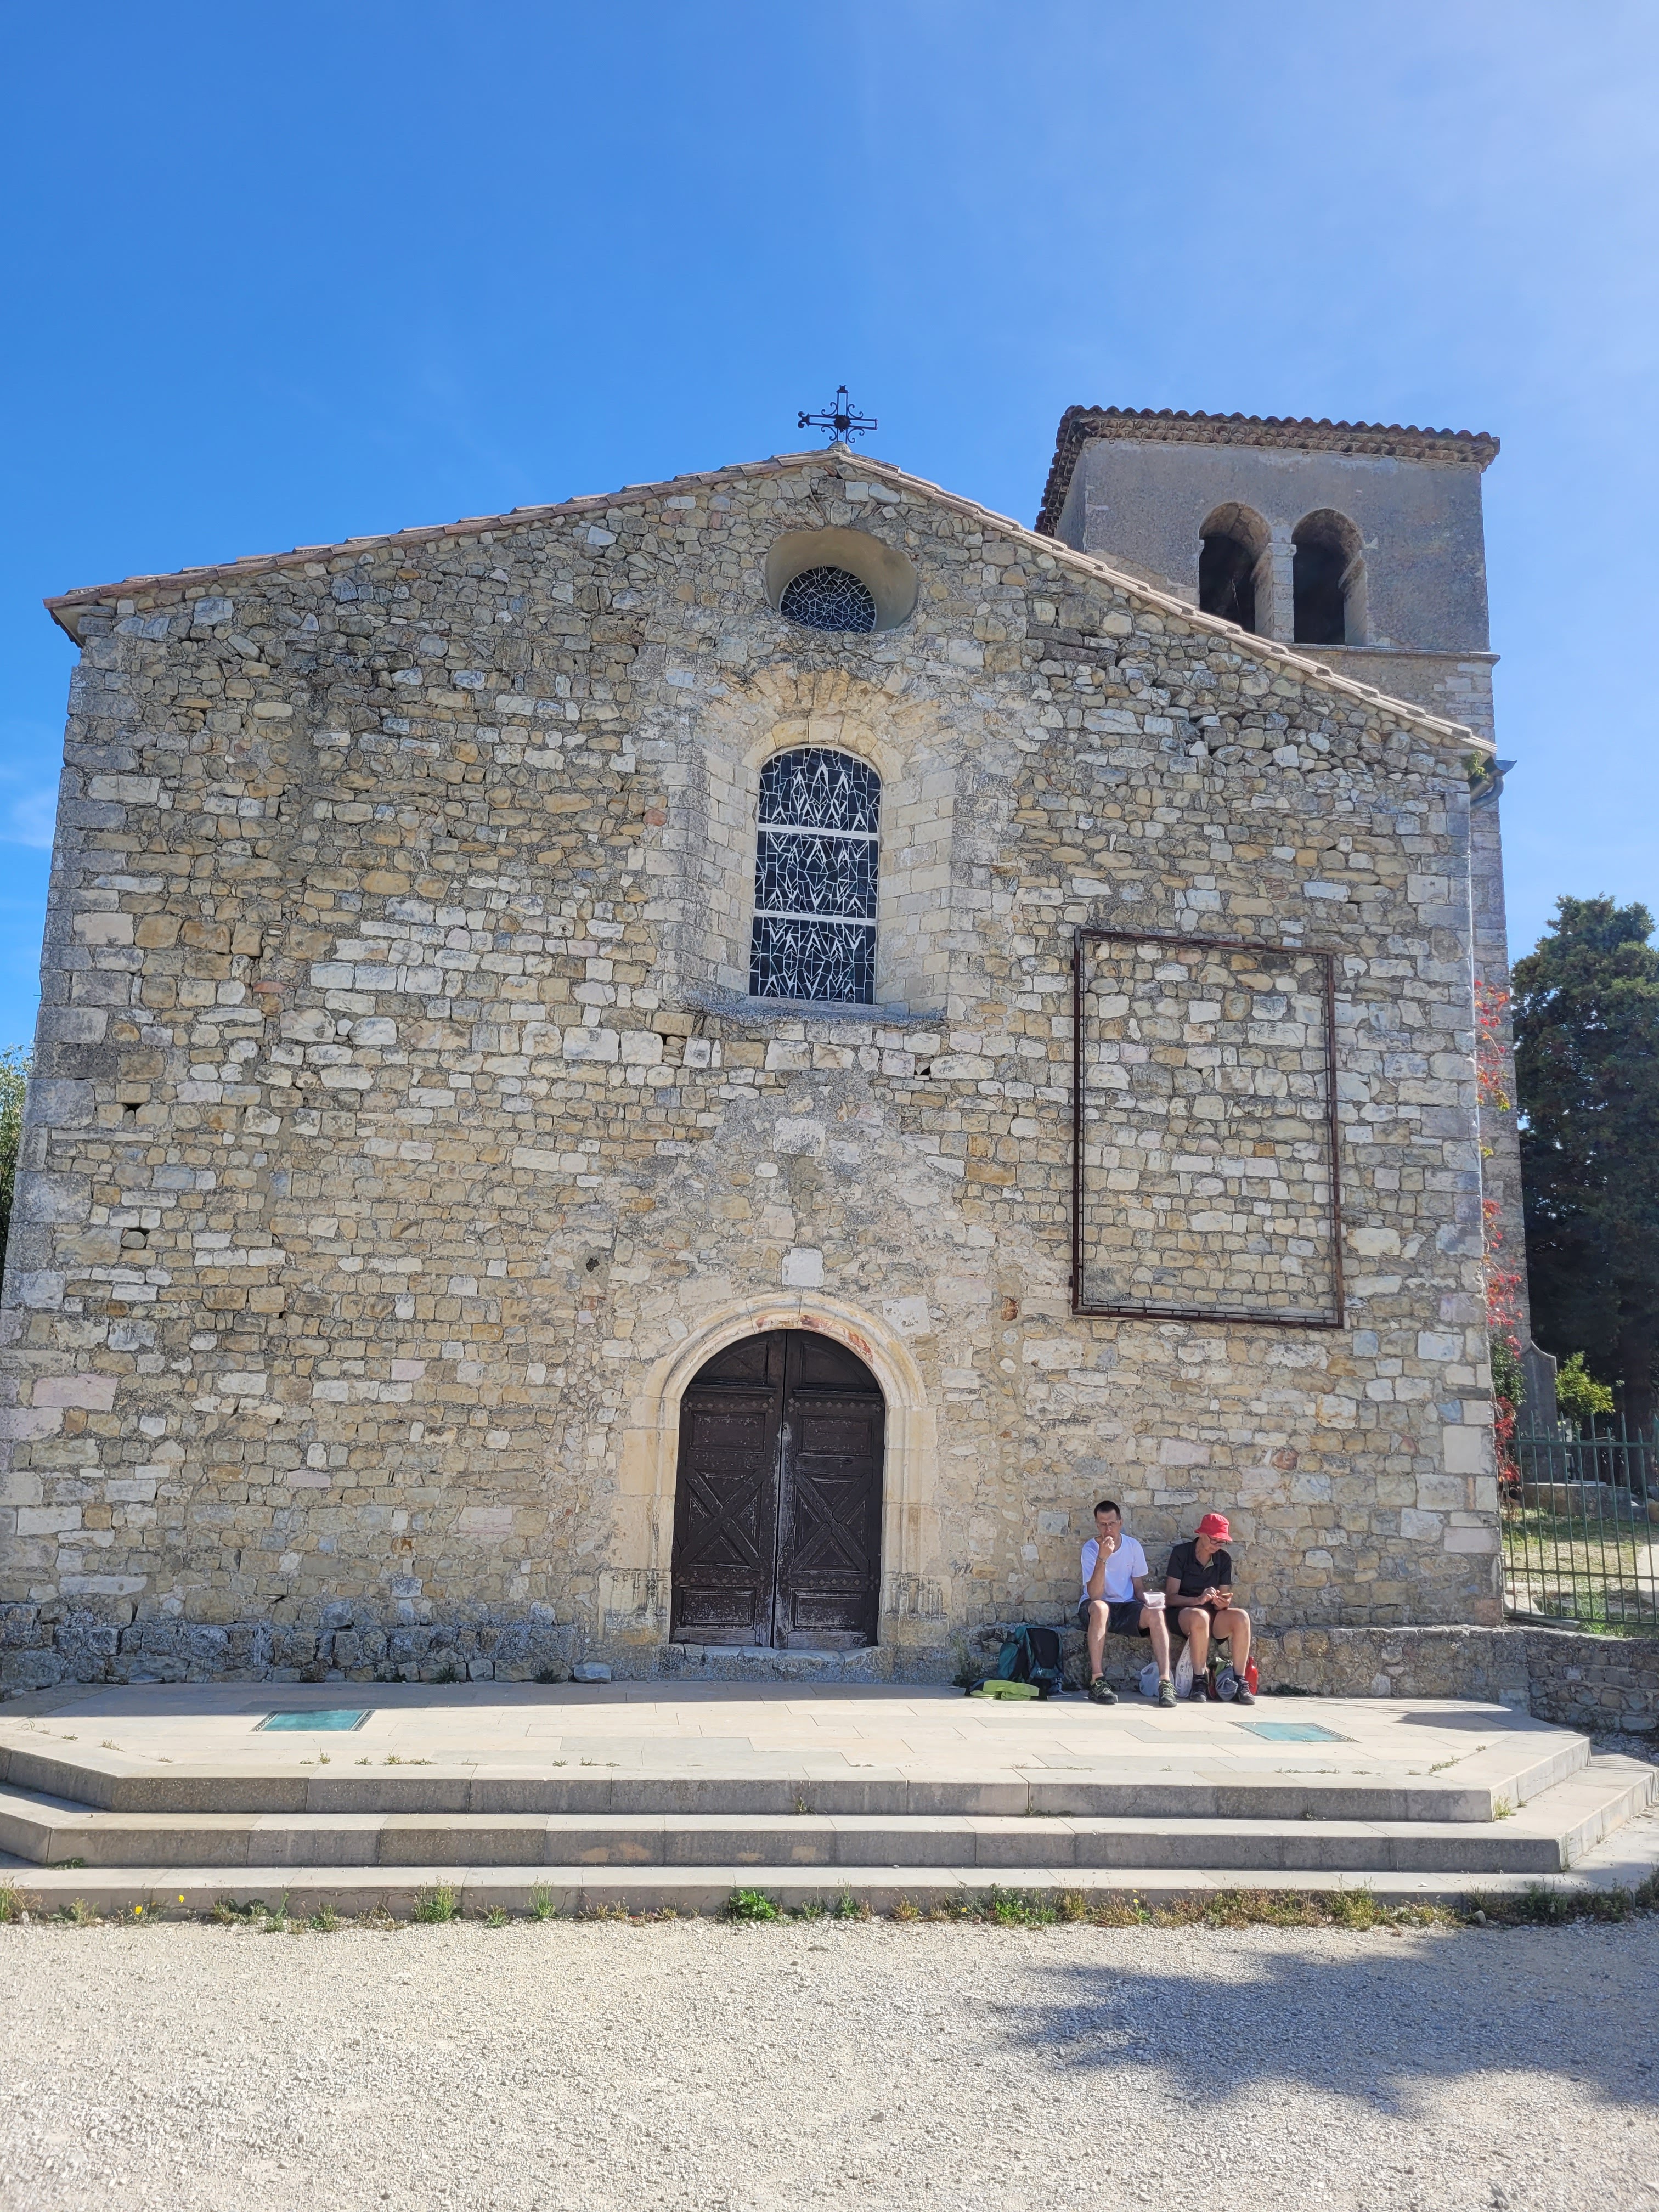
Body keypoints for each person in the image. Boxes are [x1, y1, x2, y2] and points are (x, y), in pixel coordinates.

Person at [1079, 1498, 1177, 1709]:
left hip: (1127, 1606)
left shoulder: (1132, 1546)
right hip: (1096, 1606)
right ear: (1097, 1525)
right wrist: (1103, 1558)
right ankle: (1097, 1680)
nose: (1108, 1530)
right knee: (1101, 1608)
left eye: (1112, 1524)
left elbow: (1138, 1588)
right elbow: (1095, 1594)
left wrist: (1151, 1600)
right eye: (1103, 1525)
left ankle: (1165, 1681)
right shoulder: (1090, 1549)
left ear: (1120, 1522)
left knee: (1157, 1613)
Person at [1164, 1512, 1255, 1703]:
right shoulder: (1181, 1554)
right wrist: (1198, 1600)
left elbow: (1224, 1595)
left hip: (1211, 1615)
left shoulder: (1224, 1559)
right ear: (1202, 1534)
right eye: (1215, 1540)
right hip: (1184, 1613)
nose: (1218, 1545)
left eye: (1222, 1542)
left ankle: (1240, 1680)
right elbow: (1170, 1598)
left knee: (1242, 1617)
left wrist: (1224, 1603)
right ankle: (1199, 1681)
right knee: (1200, 1616)